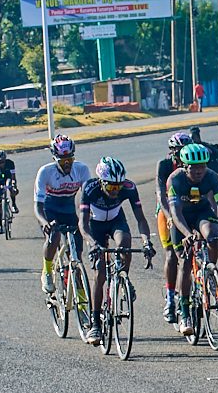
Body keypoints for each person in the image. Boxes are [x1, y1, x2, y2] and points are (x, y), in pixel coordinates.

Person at [80, 157, 154, 345]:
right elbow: (83, 223)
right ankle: (95, 324)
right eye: (111, 187)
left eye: (118, 187)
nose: (115, 191)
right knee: (100, 274)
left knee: (125, 243)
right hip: (94, 226)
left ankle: (123, 278)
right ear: (101, 182)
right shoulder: (89, 188)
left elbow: (141, 219)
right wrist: (92, 243)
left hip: (115, 221)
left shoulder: (128, 187)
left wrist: (146, 242)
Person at [167, 143, 218, 334]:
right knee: (185, 262)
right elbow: (175, 213)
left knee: (213, 236)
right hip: (181, 219)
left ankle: (209, 271)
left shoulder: (212, 177)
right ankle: (184, 312)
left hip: (202, 212)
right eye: (194, 167)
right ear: (184, 166)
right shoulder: (175, 180)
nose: (199, 171)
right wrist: (188, 235)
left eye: (202, 166)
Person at [34, 135, 91, 294]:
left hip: (68, 211)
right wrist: (45, 223)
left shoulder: (82, 169)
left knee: (76, 257)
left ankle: (78, 295)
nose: (67, 163)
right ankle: (47, 271)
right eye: (62, 160)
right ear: (54, 158)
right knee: (54, 237)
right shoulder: (45, 172)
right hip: (49, 211)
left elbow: (89, 198)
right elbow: (37, 207)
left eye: (70, 159)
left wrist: (88, 218)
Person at [156, 131, 192, 323]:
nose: (183, 153)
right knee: (172, 254)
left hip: (189, 208)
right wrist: (169, 216)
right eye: (179, 150)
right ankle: (170, 299)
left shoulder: (194, 161)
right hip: (167, 210)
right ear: (172, 152)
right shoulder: (164, 165)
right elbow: (161, 194)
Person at [0, 150, 19, 235]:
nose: (1, 164)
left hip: (8, 177)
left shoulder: (10, 163)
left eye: (2, 161)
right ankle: (0, 226)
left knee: (10, 185)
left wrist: (14, 186)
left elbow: (13, 176)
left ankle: (13, 204)